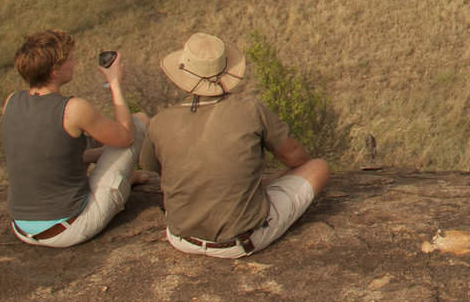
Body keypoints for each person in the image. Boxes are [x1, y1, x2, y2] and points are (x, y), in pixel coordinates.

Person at [142, 31, 331, 257]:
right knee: (319, 167)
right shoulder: (250, 109)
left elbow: (150, 167)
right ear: (226, 71)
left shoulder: (160, 122)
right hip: (241, 241)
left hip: (181, 238)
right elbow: (296, 159)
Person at [1, 30, 147, 247]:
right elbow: (126, 137)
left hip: (21, 228)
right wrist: (115, 83)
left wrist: (99, 153)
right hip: (68, 228)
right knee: (138, 122)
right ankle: (124, 181)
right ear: (54, 72)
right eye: (69, 59)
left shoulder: (11, 102)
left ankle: (128, 176)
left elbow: (50, 153)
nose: (74, 62)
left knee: (98, 143)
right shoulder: (73, 109)